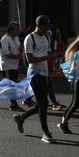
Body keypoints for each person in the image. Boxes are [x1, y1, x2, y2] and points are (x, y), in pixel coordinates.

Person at [13, 15, 56, 143]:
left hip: (44, 73)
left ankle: (20, 118)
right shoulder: (30, 38)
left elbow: (45, 53)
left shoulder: (46, 37)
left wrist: (54, 56)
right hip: (35, 74)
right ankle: (46, 133)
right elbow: (30, 59)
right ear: (39, 25)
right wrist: (47, 58)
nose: (47, 29)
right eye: (46, 26)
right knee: (44, 104)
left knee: (40, 105)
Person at [0, 22, 23, 111]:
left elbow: (19, 47)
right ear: (11, 30)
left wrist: (21, 48)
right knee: (11, 85)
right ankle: (13, 104)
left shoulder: (16, 38)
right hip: (7, 65)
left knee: (11, 84)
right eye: (17, 30)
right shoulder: (4, 39)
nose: (18, 31)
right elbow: (6, 53)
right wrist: (17, 56)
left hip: (15, 65)